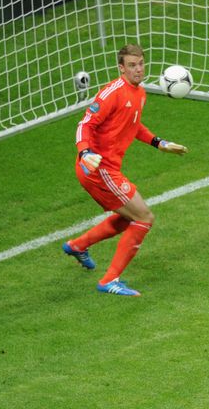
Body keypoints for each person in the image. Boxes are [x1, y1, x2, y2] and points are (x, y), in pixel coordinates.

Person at [61, 43, 188, 297]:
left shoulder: (139, 93)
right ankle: (110, 280)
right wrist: (85, 152)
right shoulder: (112, 93)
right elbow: (84, 124)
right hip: (98, 168)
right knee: (144, 217)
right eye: (132, 65)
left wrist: (158, 143)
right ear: (121, 68)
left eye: (140, 64)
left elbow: (133, 125)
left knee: (129, 217)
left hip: (106, 169)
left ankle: (78, 245)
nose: (138, 69)